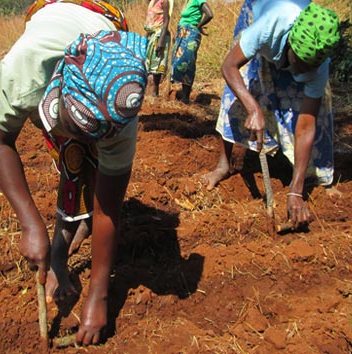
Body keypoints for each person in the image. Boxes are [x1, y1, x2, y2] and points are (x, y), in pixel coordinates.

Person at [0, 0, 147, 346]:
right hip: (56, 18)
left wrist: (98, 297)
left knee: (90, 162)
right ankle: (59, 250)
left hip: (104, 28)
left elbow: (110, 209)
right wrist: (30, 223)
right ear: (53, 94)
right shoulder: (23, 72)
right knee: (73, 154)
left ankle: (71, 233)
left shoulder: (122, 103)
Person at [201, 0, 340, 230]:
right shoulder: (268, 27)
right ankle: (224, 165)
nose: (304, 71)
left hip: (288, 37)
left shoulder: (318, 62)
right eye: (300, 63)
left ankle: (312, 176)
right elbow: (229, 67)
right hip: (260, 10)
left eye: (309, 68)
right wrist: (253, 108)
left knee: (319, 109)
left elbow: (306, 125)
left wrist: (295, 191)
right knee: (240, 87)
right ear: (290, 46)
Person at [170, 0, 213, 103]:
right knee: (178, 62)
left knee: (187, 63)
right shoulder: (188, 2)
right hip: (183, 33)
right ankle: (183, 94)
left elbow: (209, 14)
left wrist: (198, 26)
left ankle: (186, 97)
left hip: (190, 33)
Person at [144, 0, 173, 97]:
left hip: (159, 35)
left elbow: (166, 20)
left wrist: (161, 40)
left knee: (157, 63)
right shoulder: (152, 2)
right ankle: (147, 89)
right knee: (148, 62)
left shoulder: (164, 2)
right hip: (151, 34)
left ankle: (155, 91)